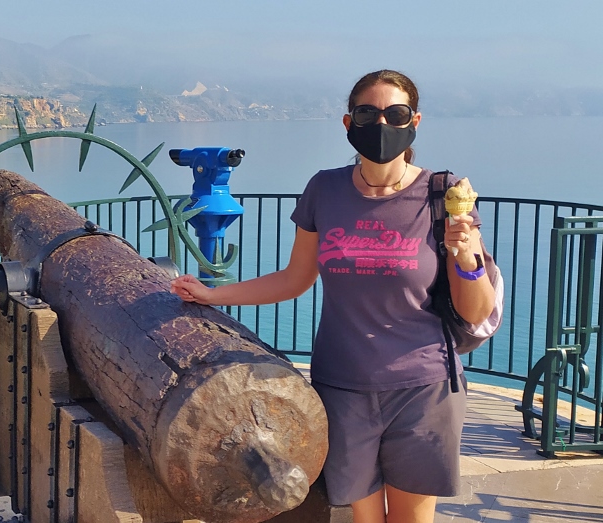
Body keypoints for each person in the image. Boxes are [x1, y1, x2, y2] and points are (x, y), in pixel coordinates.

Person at [170, 69, 496, 523]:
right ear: (348, 124)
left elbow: (475, 310)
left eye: (395, 114)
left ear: (415, 121)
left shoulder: (442, 197)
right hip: (342, 387)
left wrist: (467, 254)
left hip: (423, 388)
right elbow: (294, 278)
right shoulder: (325, 189)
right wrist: (213, 294)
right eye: (368, 113)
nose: (381, 124)